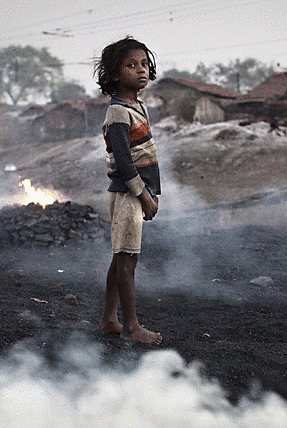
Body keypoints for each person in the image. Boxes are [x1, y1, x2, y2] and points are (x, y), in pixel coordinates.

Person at [93, 36, 162, 345]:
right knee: (127, 260)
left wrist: (152, 191)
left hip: (134, 193)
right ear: (114, 74)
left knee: (120, 258)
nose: (141, 70)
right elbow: (123, 163)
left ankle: (110, 319)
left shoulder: (136, 106)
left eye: (144, 64)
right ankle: (131, 326)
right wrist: (144, 195)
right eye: (131, 65)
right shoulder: (118, 112)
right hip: (127, 195)